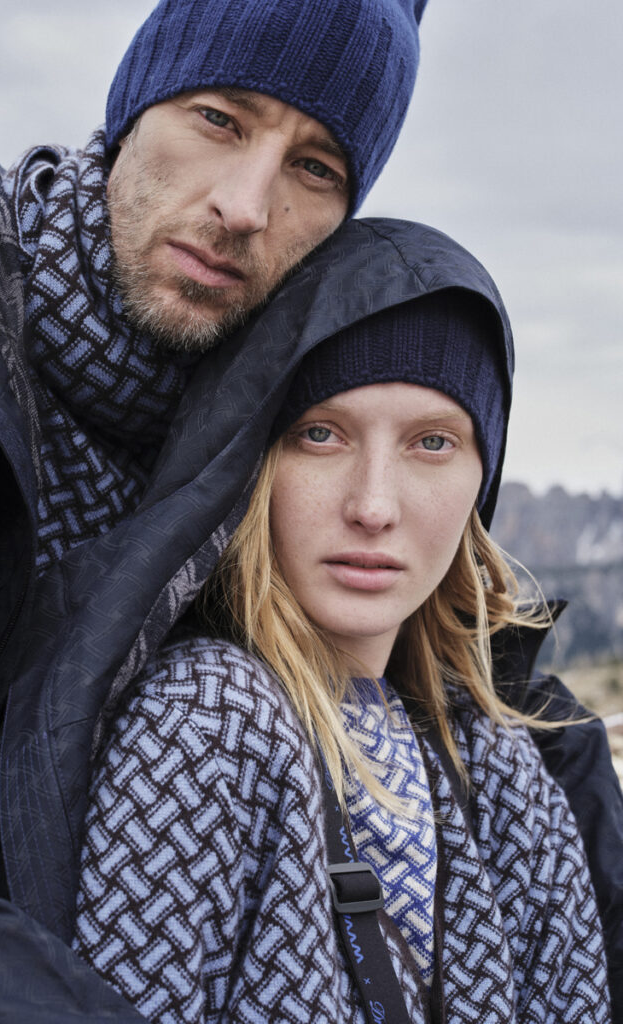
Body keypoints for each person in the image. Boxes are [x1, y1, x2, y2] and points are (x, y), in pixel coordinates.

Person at [0, 2, 430, 1020]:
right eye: (219, 119)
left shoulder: (269, 418)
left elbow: (461, 654)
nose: (245, 206)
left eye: (315, 169)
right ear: (133, 107)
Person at [67, 219, 622, 1021]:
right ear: (255, 461)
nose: (372, 506)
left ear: (481, 480)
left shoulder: (504, 768)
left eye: (432, 443)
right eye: (321, 434)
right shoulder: (205, 721)